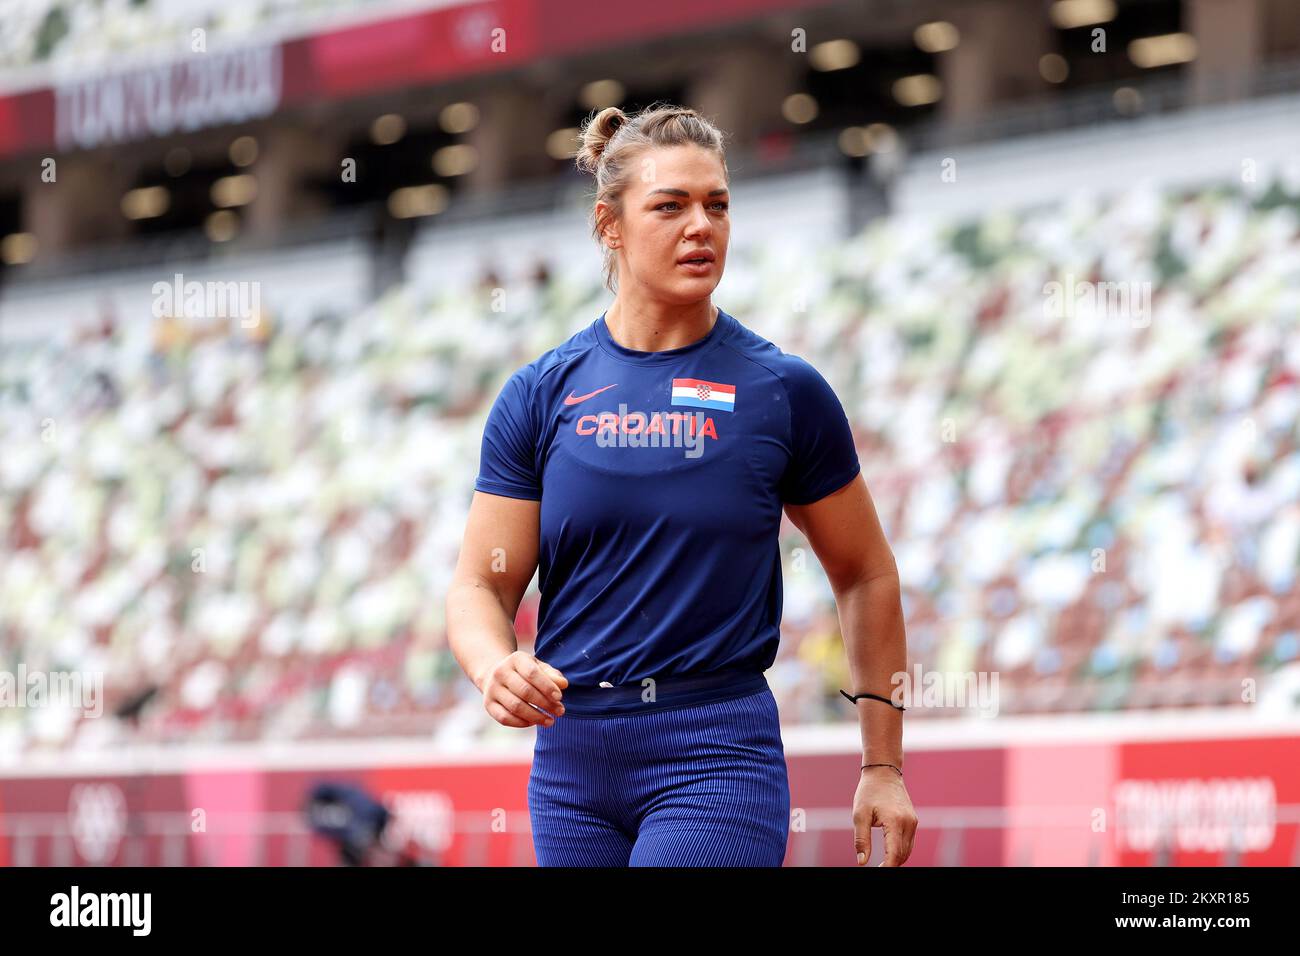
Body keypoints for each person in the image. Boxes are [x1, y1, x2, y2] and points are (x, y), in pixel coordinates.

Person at [446, 103, 916, 867]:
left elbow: (865, 572)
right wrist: (492, 665)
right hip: (572, 766)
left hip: (715, 755)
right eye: (670, 206)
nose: (701, 226)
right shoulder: (540, 393)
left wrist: (883, 765)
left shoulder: (783, 391)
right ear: (610, 225)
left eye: (717, 204)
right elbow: (479, 586)